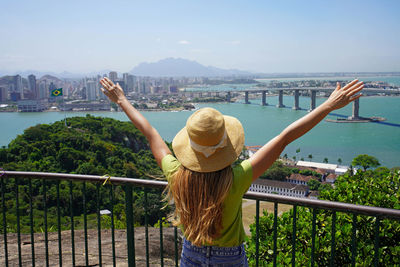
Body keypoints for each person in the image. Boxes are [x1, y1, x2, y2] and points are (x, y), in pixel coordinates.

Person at [100, 77, 364, 266]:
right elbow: (285, 137)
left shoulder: (176, 173)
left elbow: (150, 134)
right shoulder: (236, 178)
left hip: (190, 254)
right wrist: (328, 105)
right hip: (231, 258)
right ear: (225, 143)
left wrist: (121, 99)